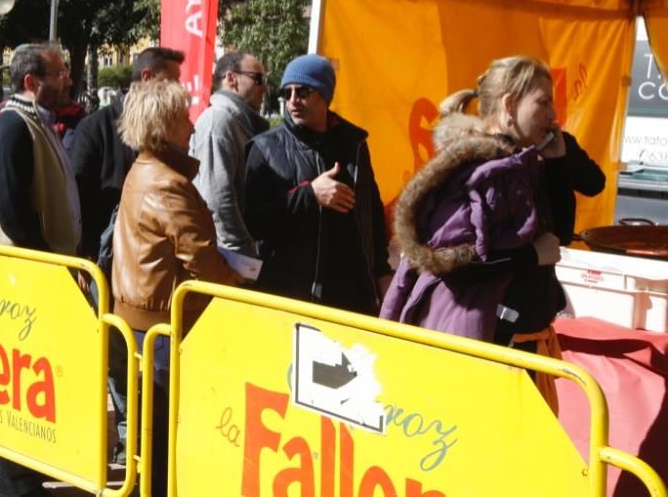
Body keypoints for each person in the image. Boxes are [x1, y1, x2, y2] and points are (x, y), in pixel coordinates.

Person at [380, 56, 565, 413]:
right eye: (543, 102)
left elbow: (558, 238)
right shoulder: (478, 171)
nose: (553, 114)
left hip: (515, 346)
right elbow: (450, 261)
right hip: (482, 345)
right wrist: (531, 256)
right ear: (510, 105)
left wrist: (557, 165)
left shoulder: (521, 165)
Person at [111, 80, 244, 497]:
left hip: (140, 318)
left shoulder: (144, 168)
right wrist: (239, 281)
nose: (191, 126)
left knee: (149, 427)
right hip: (165, 327)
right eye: (183, 117)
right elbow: (201, 258)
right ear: (165, 124)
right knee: (164, 431)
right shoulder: (168, 182)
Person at [0, 43, 81, 497]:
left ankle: (30, 472)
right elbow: (10, 209)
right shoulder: (10, 126)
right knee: (21, 382)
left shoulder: (36, 121)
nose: (67, 80)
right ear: (31, 82)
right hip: (29, 274)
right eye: (58, 74)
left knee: (38, 379)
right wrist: (46, 260)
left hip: (46, 269)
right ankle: (18, 483)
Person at [244, 54, 392, 313]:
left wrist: (381, 271)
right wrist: (310, 194)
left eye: (303, 91)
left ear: (325, 95)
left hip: (350, 297)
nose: (292, 101)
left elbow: (372, 214)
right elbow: (253, 222)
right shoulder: (264, 147)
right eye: (286, 93)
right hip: (289, 296)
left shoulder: (353, 143)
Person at [71, 46, 184, 263]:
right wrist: (84, 254)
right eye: (172, 80)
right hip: (107, 259)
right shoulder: (94, 128)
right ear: (147, 77)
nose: (178, 87)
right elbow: (80, 197)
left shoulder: (171, 131)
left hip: (155, 258)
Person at [190, 51, 269, 257]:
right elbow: (217, 198)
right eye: (258, 79)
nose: (265, 88)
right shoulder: (218, 122)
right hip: (227, 260)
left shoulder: (238, 123)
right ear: (231, 79)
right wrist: (245, 253)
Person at [549, 130, 606, 244]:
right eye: (543, 110)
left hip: (557, 243)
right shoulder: (505, 148)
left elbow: (594, 184)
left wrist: (561, 156)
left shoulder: (560, 140)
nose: (551, 116)